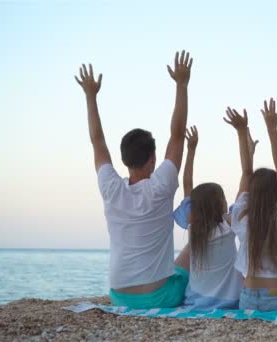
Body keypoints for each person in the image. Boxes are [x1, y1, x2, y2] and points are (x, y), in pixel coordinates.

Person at [74, 51, 193, 309]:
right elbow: (177, 134)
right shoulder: (161, 186)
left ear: (124, 159)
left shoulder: (110, 187)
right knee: (194, 246)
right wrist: (182, 85)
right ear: (152, 158)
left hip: (118, 296)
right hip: (159, 297)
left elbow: (97, 141)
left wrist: (90, 97)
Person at [224, 98, 277, 311]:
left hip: (247, 299)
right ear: (276, 192)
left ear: (251, 191)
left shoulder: (241, 215)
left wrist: (242, 132)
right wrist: (272, 129)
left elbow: (246, 173)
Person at [172, 127, 257, 310]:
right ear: (220, 204)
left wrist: (191, 150)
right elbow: (246, 180)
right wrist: (249, 152)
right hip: (230, 301)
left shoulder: (193, 226)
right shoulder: (228, 225)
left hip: (195, 301)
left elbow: (187, 184)